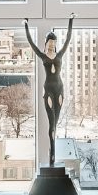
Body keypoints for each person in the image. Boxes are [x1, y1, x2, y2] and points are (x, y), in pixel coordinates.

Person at [22, 16, 74, 167]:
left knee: (55, 124)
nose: (51, 47)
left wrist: (70, 20)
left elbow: (68, 38)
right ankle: (51, 156)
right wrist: (26, 25)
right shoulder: (42, 55)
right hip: (49, 91)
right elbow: (31, 42)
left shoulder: (59, 54)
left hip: (59, 89)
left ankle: (53, 155)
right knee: (51, 124)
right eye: (49, 45)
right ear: (46, 44)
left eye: (53, 45)